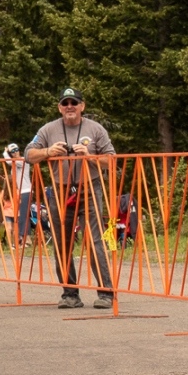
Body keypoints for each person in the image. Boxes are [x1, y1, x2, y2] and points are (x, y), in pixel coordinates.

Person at [25, 88, 116, 310]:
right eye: (65, 103)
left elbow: (112, 161)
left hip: (89, 187)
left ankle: (106, 293)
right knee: (62, 241)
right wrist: (47, 152)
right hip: (60, 190)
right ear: (59, 107)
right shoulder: (48, 129)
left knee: (95, 240)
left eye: (74, 103)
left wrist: (90, 157)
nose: (69, 107)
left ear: (82, 106)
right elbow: (28, 154)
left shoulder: (96, 129)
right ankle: (70, 294)